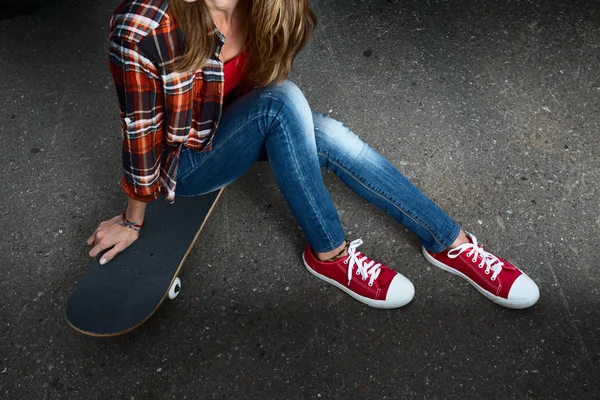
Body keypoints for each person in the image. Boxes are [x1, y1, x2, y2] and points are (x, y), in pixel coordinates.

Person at [88, 0, 540, 310]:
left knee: (323, 131)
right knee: (282, 102)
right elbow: (141, 136)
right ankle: (330, 255)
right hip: (186, 163)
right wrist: (133, 219)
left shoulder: (265, 8)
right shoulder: (143, 28)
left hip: (237, 125)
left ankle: (450, 243)